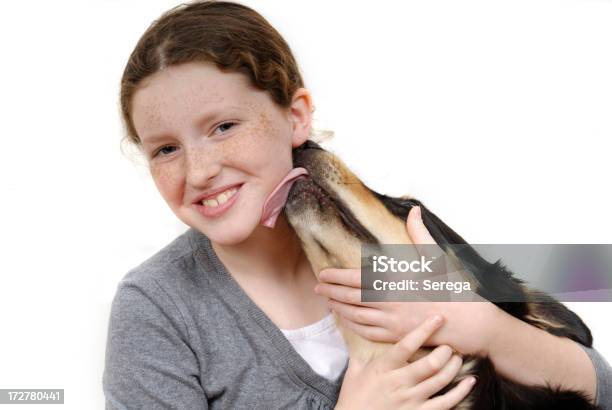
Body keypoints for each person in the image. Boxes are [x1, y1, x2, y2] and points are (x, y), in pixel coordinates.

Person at [103, 1, 611, 409]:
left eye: (224, 127)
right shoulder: (157, 308)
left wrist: (483, 327)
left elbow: (599, 388)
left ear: (296, 116)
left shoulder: (393, 235)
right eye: (165, 150)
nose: (198, 171)